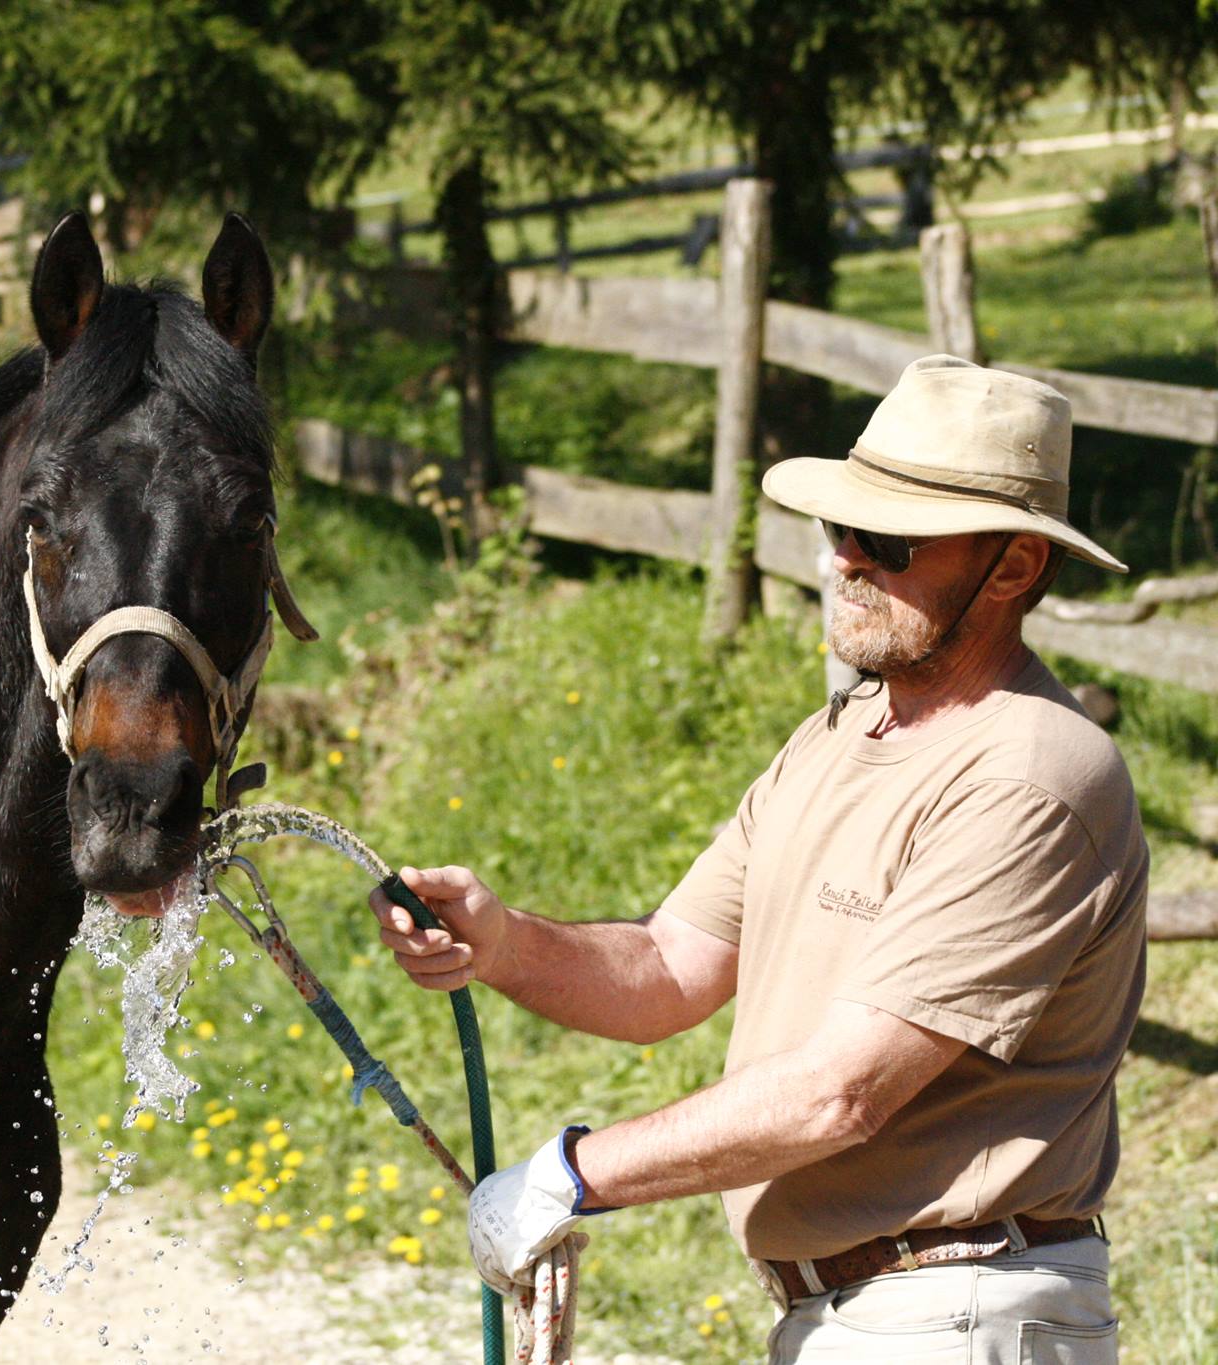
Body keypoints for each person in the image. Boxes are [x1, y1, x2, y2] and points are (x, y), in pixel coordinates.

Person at [371, 355, 1147, 1363]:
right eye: (838, 528)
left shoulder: (1032, 774)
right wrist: (501, 943)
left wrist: (569, 1174)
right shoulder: (838, 737)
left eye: (887, 539)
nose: (846, 560)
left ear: (1010, 569)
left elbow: (841, 1092)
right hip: (855, 1314)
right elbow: (665, 971)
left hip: (956, 1316)